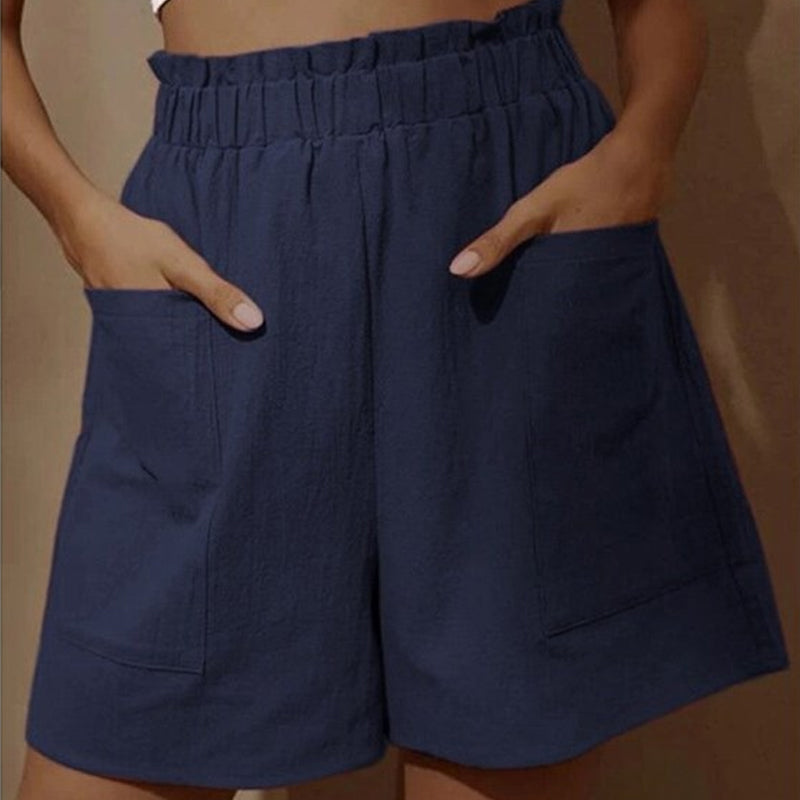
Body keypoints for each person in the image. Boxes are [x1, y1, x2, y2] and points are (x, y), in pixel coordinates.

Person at [4, 0, 790, 798]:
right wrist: (78, 219)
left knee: (508, 730)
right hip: (231, 237)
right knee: (125, 723)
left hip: (501, 213)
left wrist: (643, 150)